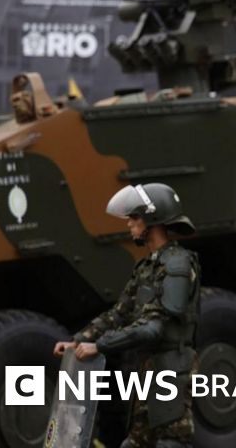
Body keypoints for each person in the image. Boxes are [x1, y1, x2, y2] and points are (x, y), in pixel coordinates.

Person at [53, 183, 201, 448]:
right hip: (148, 371)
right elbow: (117, 314)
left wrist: (99, 346)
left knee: (170, 443)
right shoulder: (147, 267)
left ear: (153, 220)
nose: (129, 224)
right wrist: (78, 340)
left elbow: (153, 329)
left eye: (134, 217)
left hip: (172, 371)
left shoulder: (177, 264)